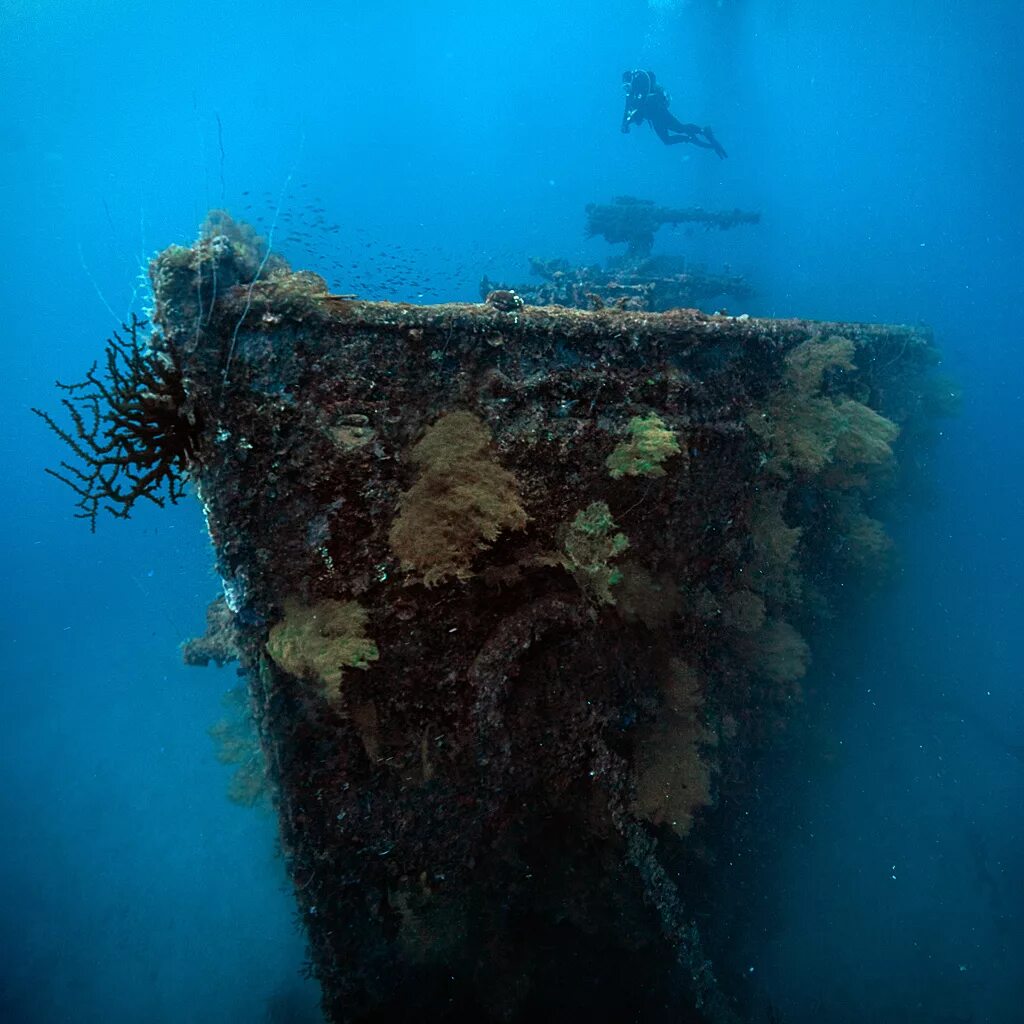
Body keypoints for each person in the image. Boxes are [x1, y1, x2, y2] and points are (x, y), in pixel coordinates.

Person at [621, 69, 728, 159]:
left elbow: (641, 107)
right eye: (624, 87)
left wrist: (629, 121)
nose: (626, 89)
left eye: (627, 85)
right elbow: (627, 109)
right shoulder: (631, 94)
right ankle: (690, 138)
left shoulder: (643, 88)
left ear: (632, 82)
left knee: (680, 128)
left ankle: (703, 131)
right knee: (667, 140)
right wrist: (624, 124)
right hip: (654, 119)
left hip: (661, 114)